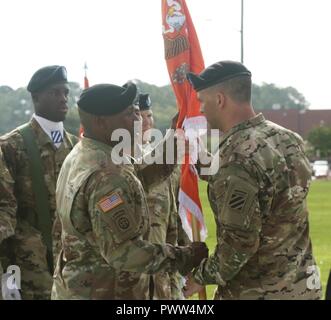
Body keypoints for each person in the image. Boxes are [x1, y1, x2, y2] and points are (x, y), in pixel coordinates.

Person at [51, 82, 208, 300]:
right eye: (128, 114)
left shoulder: (85, 153)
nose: (138, 120)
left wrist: (172, 145)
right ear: (101, 122)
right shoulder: (107, 175)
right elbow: (125, 253)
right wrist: (185, 256)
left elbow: (135, 180)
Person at [184, 60, 322, 300]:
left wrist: (200, 277)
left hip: (257, 291)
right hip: (302, 286)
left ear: (219, 100)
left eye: (202, 101)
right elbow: (269, 186)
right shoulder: (287, 139)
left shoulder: (235, 156)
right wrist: (194, 158)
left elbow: (239, 244)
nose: (201, 109)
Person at [0, 65, 78, 299]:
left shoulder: (77, 148)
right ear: (36, 97)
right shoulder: (11, 146)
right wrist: (7, 275)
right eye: (55, 93)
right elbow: (4, 213)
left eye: (65, 92)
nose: (63, 99)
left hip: (73, 266)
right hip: (30, 266)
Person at [137, 93, 189, 299]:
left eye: (149, 115)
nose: (146, 122)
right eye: (139, 117)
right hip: (139, 268)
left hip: (168, 264)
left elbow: (175, 211)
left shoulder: (167, 160)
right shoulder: (121, 160)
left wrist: (188, 257)